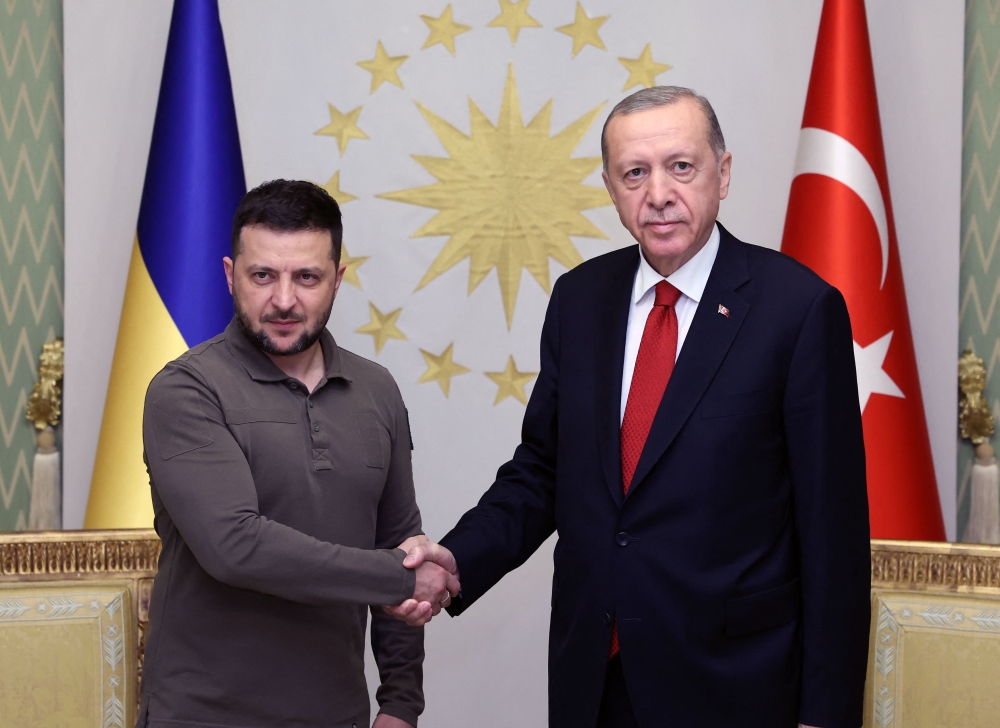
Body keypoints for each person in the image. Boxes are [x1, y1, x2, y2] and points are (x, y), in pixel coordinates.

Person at [387, 88, 871, 728]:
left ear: (722, 174)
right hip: (596, 677)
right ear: (612, 189)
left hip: (737, 685)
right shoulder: (580, 299)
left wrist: (826, 711)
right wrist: (458, 559)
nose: (659, 193)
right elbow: (543, 470)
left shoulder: (799, 309)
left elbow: (832, 533)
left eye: (681, 166)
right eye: (635, 173)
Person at [137, 180, 458, 728]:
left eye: (306, 277)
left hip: (339, 714)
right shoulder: (185, 390)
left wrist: (401, 704)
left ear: (337, 279)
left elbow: (400, 543)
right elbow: (235, 546)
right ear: (229, 275)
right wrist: (403, 578)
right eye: (263, 275)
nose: (284, 300)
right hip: (202, 717)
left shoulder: (376, 390)